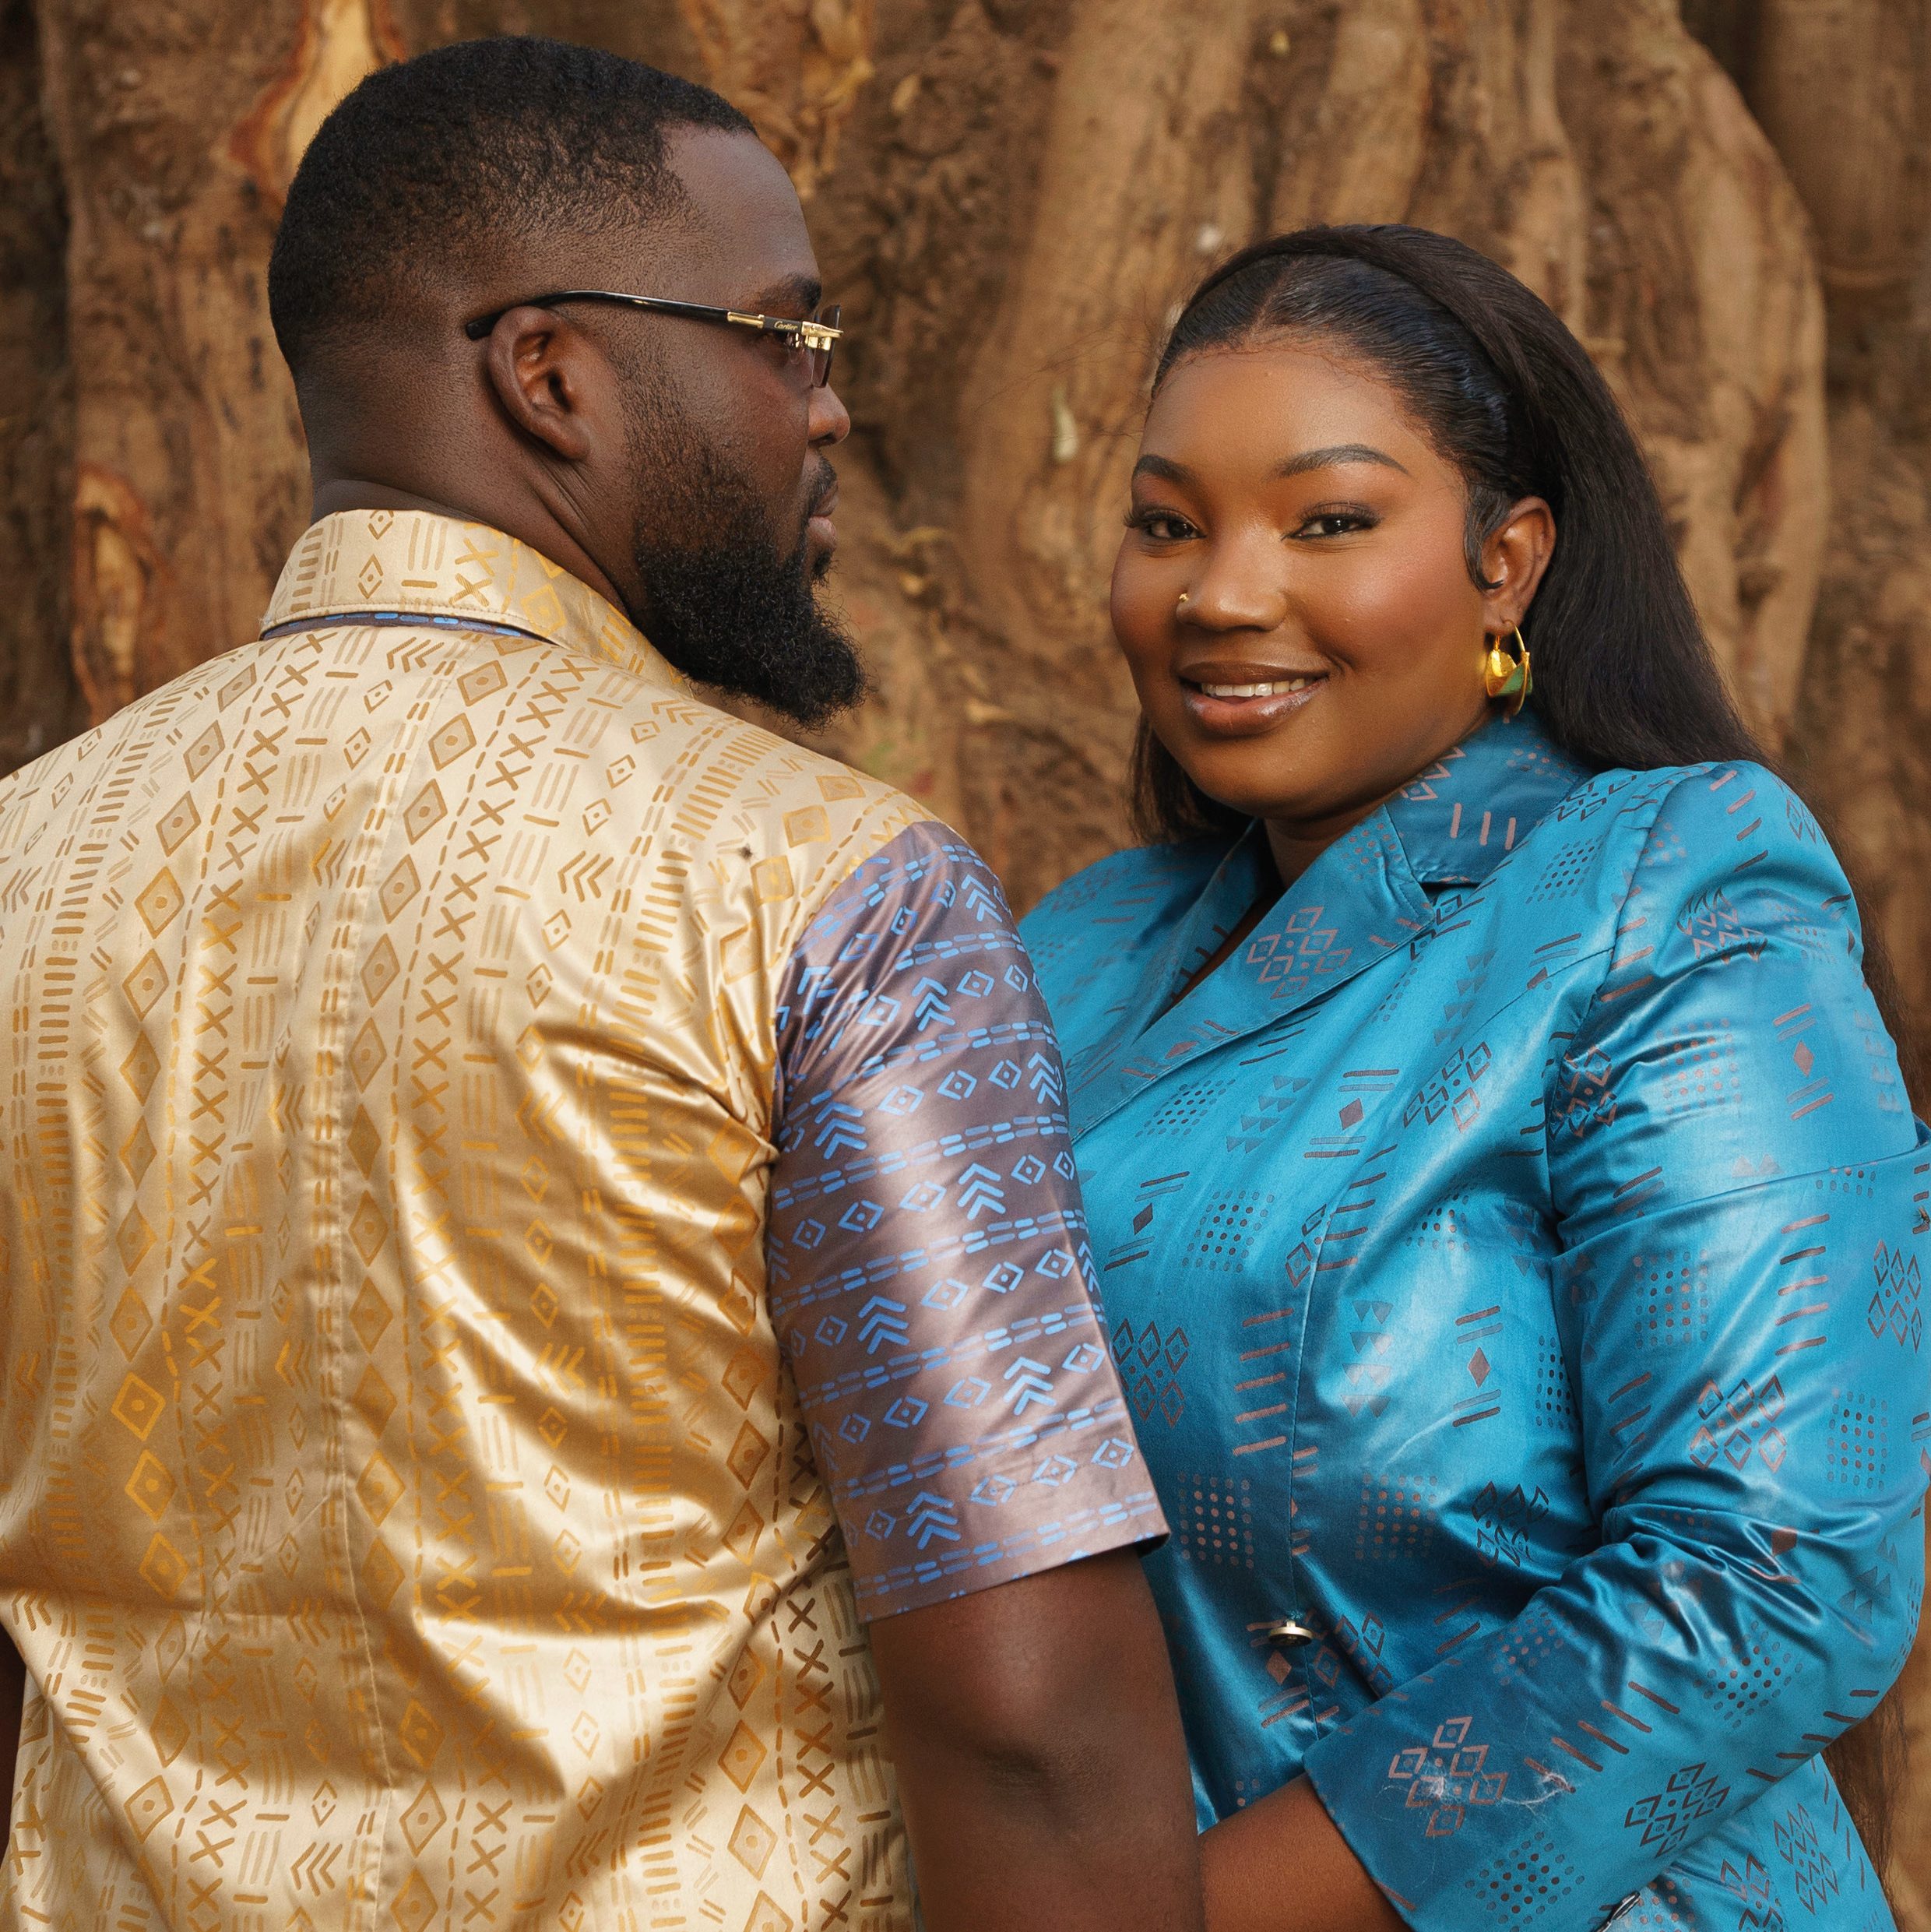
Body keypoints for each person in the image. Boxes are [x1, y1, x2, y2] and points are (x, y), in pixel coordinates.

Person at [0, 39, 1205, 1932]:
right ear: (547, 370)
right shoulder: (823, 893)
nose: (824, 412)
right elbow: (1034, 1717)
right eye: (781, 336)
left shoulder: (21, 868)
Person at [1020, 223, 1929, 1931]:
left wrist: (1194, 1922)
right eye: (1166, 521)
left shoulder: (1670, 885)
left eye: (1328, 520)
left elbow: (1772, 1572)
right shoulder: (1080, 945)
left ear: (1506, 560)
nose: (1222, 591)